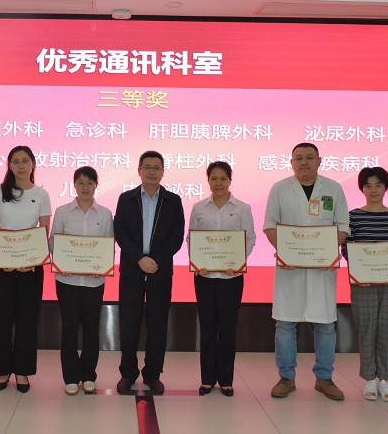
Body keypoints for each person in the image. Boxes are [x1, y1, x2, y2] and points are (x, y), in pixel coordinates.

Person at [263, 143, 349, 401]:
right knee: (285, 324)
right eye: (298, 158)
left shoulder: (333, 188)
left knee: (325, 325)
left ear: (319, 161)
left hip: (323, 268)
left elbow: (343, 226)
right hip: (290, 269)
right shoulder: (279, 188)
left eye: (309, 157)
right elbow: (270, 225)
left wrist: (328, 251)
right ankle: (286, 378)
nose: (304, 162)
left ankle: (324, 378)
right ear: (291, 163)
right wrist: (285, 252)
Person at [114, 150, 184, 394]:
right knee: (128, 325)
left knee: (157, 326)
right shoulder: (126, 199)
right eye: (147, 167)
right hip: (132, 272)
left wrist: (155, 260)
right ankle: (128, 373)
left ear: (163, 172)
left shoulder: (173, 201)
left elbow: (176, 237)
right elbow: (120, 232)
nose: (152, 172)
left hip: (160, 272)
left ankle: (153, 374)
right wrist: (139, 259)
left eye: (156, 168)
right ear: (139, 171)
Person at [0, 146, 51, 393]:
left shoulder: (41, 194)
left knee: (27, 321)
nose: (21, 166)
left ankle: (22, 371)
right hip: (2, 266)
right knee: (2, 321)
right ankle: (3, 370)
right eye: (15, 161)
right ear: (9, 165)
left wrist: (32, 259)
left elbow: (44, 231)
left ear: (33, 164)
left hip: (30, 268)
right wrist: (7, 254)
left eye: (25, 161)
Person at [189, 161, 256, 397]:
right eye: (214, 179)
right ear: (208, 181)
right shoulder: (199, 208)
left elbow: (249, 239)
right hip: (205, 276)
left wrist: (237, 262)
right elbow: (192, 238)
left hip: (231, 277)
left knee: (227, 329)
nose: (218, 183)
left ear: (230, 180)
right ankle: (207, 379)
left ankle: (226, 380)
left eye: (223, 179)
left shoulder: (242, 208)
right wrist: (198, 261)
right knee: (207, 328)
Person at [342, 166, 388, 402]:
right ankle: (369, 379)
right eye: (368, 185)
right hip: (363, 284)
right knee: (367, 329)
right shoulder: (353, 216)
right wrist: (361, 272)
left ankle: (385, 380)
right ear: (362, 189)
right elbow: (346, 248)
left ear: (386, 187)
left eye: (378, 185)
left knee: (387, 330)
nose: (373, 190)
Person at [50, 166, 114, 396]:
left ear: (96, 185)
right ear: (74, 185)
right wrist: (61, 262)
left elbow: (108, 243)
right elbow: (54, 242)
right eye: (81, 182)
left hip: (94, 283)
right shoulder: (62, 212)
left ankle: (88, 376)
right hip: (66, 281)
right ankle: (70, 377)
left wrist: (102, 266)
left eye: (89, 183)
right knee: (69, 329)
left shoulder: (105, 214)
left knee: (91, 329)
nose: (85, 187)